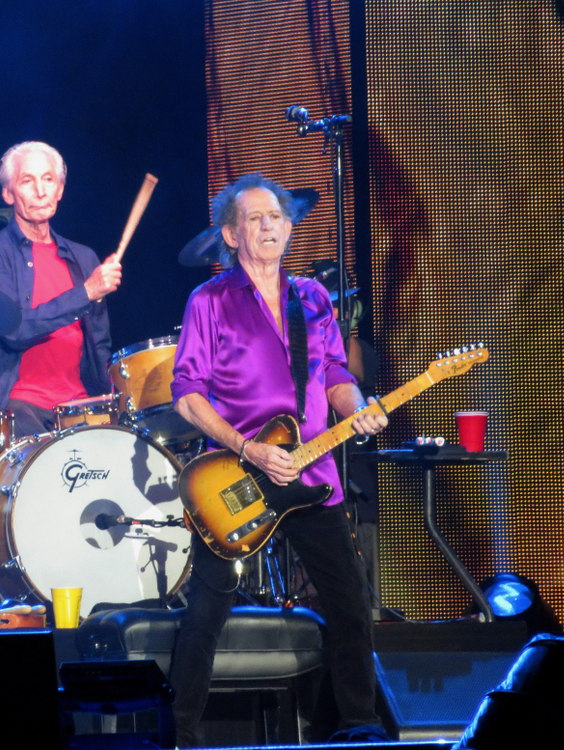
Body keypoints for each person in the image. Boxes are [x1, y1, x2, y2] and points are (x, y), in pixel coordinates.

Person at [169, 173, 389, 745]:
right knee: (205, 613)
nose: (268, 226)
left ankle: (359, 727)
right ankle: (180, 736)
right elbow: (187, 393)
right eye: (255, 218)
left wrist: (358, 407)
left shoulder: (312, 298)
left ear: (290, 228)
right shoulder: (210, 300)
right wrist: (249, 448)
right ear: (231, 234)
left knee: (350, 604)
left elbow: (335, 373)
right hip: (237, 477)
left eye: (276, 217)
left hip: (313, 472)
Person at [0, 141, 122, 436]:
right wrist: (85, 293)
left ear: (60, 190)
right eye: (27, 181)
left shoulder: (84, 257)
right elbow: (13, 330)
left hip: (79, 405)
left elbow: (99, 342)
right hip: (17, 404)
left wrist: (114, 399)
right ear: (8, 193)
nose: (40, 191)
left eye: (48, 179)